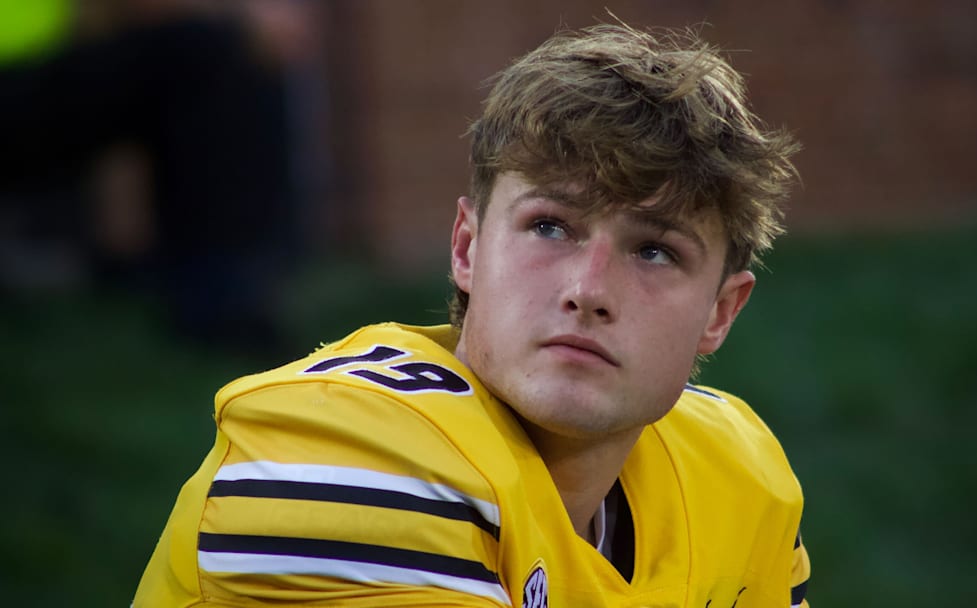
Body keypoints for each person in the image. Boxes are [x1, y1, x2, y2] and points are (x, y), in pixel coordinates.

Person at [134, 20, 811, 608]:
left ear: (720, 312)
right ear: (467, 247)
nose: (588, 289)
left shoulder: (735, 471)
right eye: (550, 227)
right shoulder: (338, 452)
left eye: (655, 252)